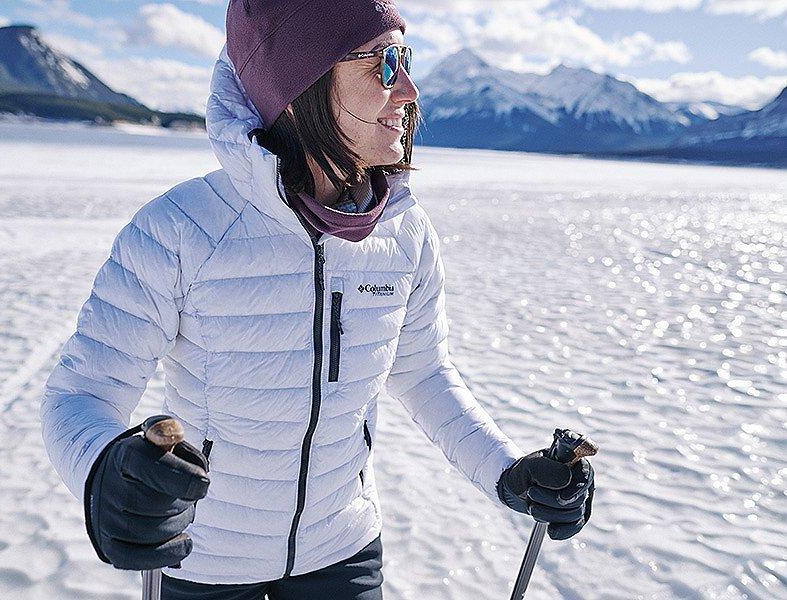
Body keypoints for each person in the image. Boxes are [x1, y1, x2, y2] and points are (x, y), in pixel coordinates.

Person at [40, 1, 595, 598]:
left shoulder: (404, 236)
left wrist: (508, 472)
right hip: (205, 560)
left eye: (404, 59)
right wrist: (106, 477)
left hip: (343, 553)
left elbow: (422, 372)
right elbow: (82, 394)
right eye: (381, 64)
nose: (407, 89)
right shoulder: (181, 231)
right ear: (301, 87)